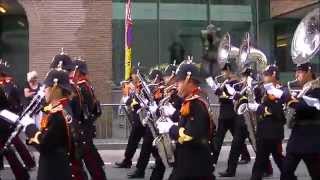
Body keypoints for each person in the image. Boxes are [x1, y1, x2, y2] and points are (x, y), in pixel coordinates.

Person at [158, 62, 215, 180]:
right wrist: (174, 119)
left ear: (188, 80)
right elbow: (189, 124)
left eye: (179, 81)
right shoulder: (191, 100)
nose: (176, 84)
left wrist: (170, 128)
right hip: (189, 162)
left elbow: (191, 136)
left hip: (194, 165)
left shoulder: (196, 104)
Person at [19, 69, 73, 180]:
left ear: (55, 89)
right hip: (57, 166)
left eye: (47, 87)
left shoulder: (58, 114)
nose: (45, 91)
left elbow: (44, 145)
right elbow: (47, 109)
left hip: (53, 170)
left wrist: (29, 126)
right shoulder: (60, 107)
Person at [50, 52, 88, 179]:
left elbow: (72, 112)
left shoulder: (69, 88)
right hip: (69, 129)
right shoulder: (72, 86)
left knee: (74, 169)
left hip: (68, 131)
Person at [280, 62, 320, 180]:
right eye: (296, 72)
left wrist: (291, 100)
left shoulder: (317, 89)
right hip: (296, 140)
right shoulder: (302, 89)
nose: (296, 75)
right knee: (286, 173)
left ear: (309, 72)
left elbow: (307, 107)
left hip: (312, 140)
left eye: (300, 72)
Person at [247, 65, 285, 180]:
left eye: (266, 74)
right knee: (260, 160)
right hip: (263, 131)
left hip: (274, 131)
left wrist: (259, 108)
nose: (264, 77)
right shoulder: (264, 89)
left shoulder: (281, 90)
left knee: (279, 160)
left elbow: (277, 110)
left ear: (274, 74)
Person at [211, 63, 249, 177]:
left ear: (228, 69)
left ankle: (213, 162)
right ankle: (245, 156)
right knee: (235, 141)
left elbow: (229, 97)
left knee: (224, 139)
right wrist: (217, 88)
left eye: (223, 71)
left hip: (231, 114)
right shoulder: (227, 81)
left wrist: (220, 91)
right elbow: (220, 94)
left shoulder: (234, 82)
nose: (222, 74)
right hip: (227, 115)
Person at [72, 58, 107, 179]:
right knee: (88, 156)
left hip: (83, 126)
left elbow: (84, 108)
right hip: (86, 126)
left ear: (77, 72)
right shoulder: (87, 85)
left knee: (87, 159)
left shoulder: (81, 87)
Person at [128, 69, 166, 179]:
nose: (152, 81)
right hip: (152, 121)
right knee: (146, 146)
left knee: (160, 151)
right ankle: (140, 170)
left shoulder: (163, 90)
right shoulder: (154, 88)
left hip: (163, 124)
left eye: (154, 78)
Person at [0, 61, 30, 180]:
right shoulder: (5, 86)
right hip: (6, 121)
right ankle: (23, 174)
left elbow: (9, 103)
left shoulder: (7, 86)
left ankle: (23, 173)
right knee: (7, 149)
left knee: (8, 148)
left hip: (5, 120)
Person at [115, 68, 147, 169]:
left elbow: (143, 100)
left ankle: (160, 160)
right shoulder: (135, 86)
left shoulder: (144, 86)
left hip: (143, 117)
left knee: (148, 142)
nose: (133, 76)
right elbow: (130, 99)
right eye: (132, 74)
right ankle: (127, 160)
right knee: (133, 140)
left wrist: (133, 102)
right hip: (137, 117)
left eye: (134, 74)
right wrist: (127, 99)